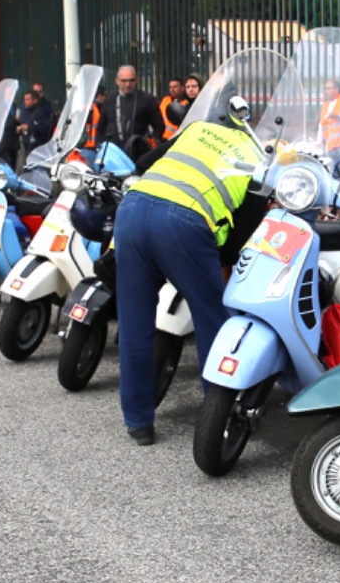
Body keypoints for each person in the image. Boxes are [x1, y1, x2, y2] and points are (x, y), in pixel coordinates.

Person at [111, 109, 268, 445]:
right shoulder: (260, 158)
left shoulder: (197, 129)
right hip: (184, 223)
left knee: (135, 323)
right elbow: (241, 235)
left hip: (132, 209)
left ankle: (139, 423)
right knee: (213, 320)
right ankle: (220, 418)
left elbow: (145, 162)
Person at [106, 65, 163, 164]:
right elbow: (101, 127)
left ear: (137, 80)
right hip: (115, 154)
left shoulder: (148, 100)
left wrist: (152, 144)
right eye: (124, 81)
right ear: (117, 81)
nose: (128, 84)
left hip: (140, 153)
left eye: (131, 80)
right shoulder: (109, 100)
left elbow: (159, 126)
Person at [16, 84, 56, 165]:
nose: (25, 102)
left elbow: (45, 127)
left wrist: (29, 127)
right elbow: (21, 120)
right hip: (26, 145)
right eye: (35, 91)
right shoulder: (24, 108)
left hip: (40, 146)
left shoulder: (45, 108)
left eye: (39, 91)